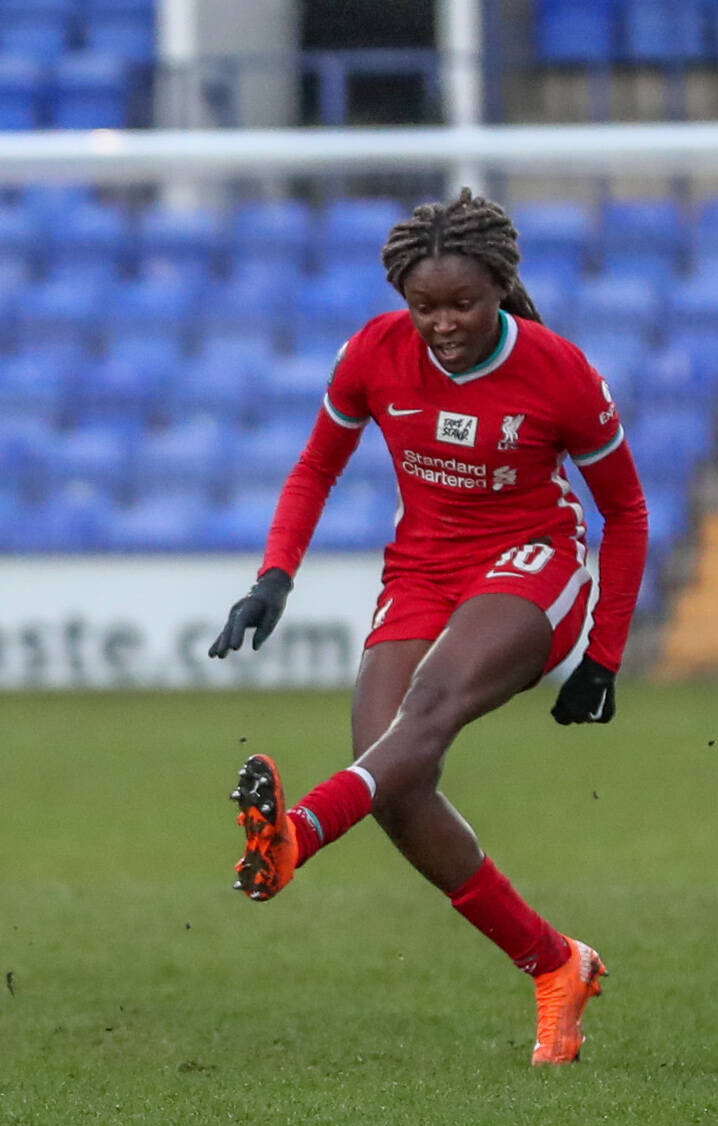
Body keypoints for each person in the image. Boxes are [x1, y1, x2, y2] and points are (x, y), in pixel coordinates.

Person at [209, 188, 649, 1065]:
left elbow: (626, 512)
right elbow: (314, 467)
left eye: (463, 304)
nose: (443, 323)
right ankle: (555, 963)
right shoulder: (374, 352)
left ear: (500, 289)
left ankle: (295, 834)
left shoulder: (559, 372)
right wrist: (274, 577)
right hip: (422, 569)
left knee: (426, 714)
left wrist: (602, 655)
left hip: (533, 562)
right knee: (393, 776)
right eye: (425, 307)